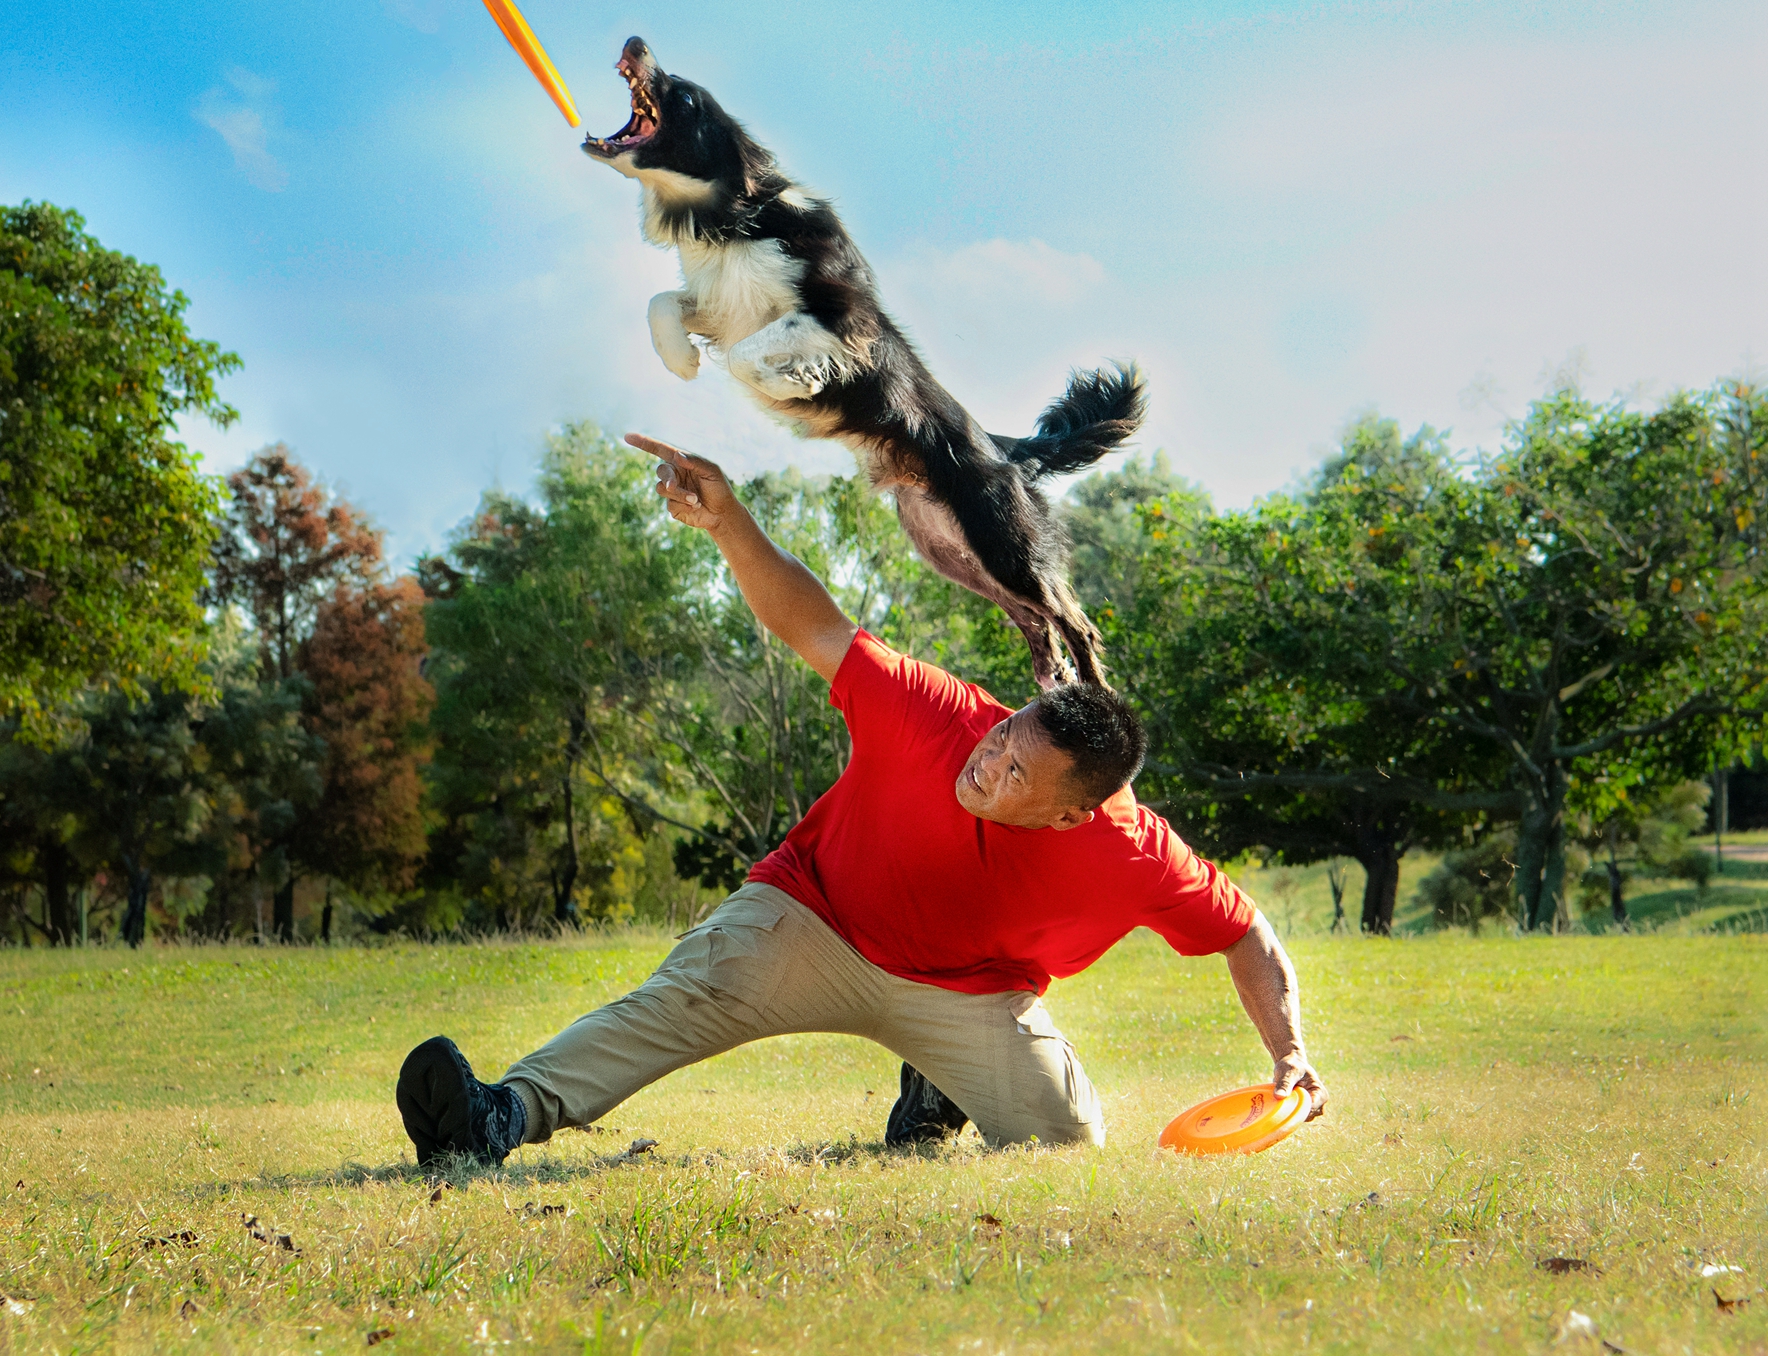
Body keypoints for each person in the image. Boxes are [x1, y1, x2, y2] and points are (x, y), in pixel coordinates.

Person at [398, 433, 1328, 1165]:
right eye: (1004, 736)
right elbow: (812, 621)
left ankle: (936, 1091)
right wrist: (727, 522)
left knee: (1063, 1143)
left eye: (1013, 775)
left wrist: (1289, 1056)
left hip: (966, 993)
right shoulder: (936, 712)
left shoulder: (1135, 855)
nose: (986, 764)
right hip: (813, 918)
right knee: (681, 998)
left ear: (1071, 814)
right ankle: (495, 1118)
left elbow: (1248, 934)